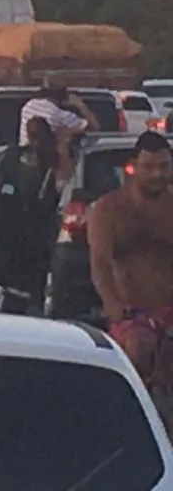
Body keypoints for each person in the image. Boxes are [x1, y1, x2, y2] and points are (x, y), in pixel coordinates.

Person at [89, 131, 173, 393]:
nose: (157, 174)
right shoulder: (109, 209)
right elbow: (100, 263)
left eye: (164, 167)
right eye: (149, 167)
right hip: (131, 313)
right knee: (139, 349)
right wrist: (114, 305)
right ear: (133, 167)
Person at [18, 83, 98, 146]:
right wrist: (79, 104)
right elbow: (94, 126)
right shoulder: (60, 115)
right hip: (47, 159)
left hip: (23, 156)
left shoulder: (28, 106)